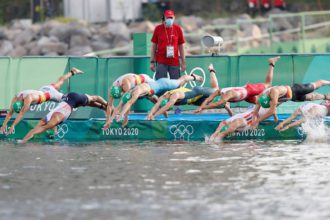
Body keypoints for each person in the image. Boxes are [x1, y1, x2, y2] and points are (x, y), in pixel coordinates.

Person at [0, 68, 83, 135]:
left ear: (21, 105)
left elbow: (21, 114)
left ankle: (82, 98)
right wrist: (4, 125)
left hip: (50, 94)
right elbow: (10, 112)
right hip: (44, 88)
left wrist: (13, 125)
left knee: (69, 101)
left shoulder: (28, 99)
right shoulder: (16, 97)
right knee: (60, 81)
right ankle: (73, 72)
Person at [107, 73, 203, 128]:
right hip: (152, 88)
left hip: (161, 84)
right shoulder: (128, 92)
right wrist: (110, 120)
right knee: (151, 97)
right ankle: (164, 111)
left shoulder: (135, 91)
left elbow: (129, 103)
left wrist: (122, 116)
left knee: (180, 82)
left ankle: (194, 77)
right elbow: (121, 105)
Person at [194, 56, 280, 114]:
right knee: (260, 102)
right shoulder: (219, 91)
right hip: (246, 96)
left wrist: (202, 108)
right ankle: (276, 103)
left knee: (268, 84)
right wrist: (201, 107)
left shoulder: (228, 95)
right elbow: (208, 99)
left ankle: (272, 63)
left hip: (250, 89)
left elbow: (216, 104)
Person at [146, 64, 232, 120]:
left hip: (198, 92)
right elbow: (158, 106)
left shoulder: (174, 96)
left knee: (216, 89)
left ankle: (211, 69)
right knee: (210, 104)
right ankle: (226, 105)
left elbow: (165, 107)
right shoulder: (162, 97)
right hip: (193, 101)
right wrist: (150, 114)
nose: (168, 107)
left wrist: (154, 116)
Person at [18, 92, 107, 144]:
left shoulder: (75, 100)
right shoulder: (78, 100)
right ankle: (104, 106)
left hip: (64, 106)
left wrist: (107, 105)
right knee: (42, 126)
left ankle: (24, 140)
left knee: (42, 127)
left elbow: (96, 99)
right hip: (64, 105)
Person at [251, 81, 330, 127]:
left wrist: (256, 121)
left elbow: (271, 110)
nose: (271, 104)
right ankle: (326, 96)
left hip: (298, 89)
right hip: (294, 98)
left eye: (270, 103)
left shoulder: (274, 93)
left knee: (317, 84)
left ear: (269, 99)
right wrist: (253, 123)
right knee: (313, 97)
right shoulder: (260, 99)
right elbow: (256, 112)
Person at [150, 9, 186, 80]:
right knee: (161, 84)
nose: (169, 19)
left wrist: (183, 62)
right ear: (164, 18)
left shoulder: (178, 29)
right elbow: (153, 46)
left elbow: (181, 47)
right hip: (161, 62)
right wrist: (152, 62)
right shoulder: (158, 28)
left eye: (171, 18)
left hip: (174, 62)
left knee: (176, 85)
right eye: (168, 18)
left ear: (174, 18)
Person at [209, 106, 277, 142]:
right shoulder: (259, 101)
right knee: (224, 122)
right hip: (244, 115)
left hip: (249, 119)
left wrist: (275, 117)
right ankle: (215, 135)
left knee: (237, 122)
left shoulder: (270, 107)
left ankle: (220, 136)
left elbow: (273, 111)